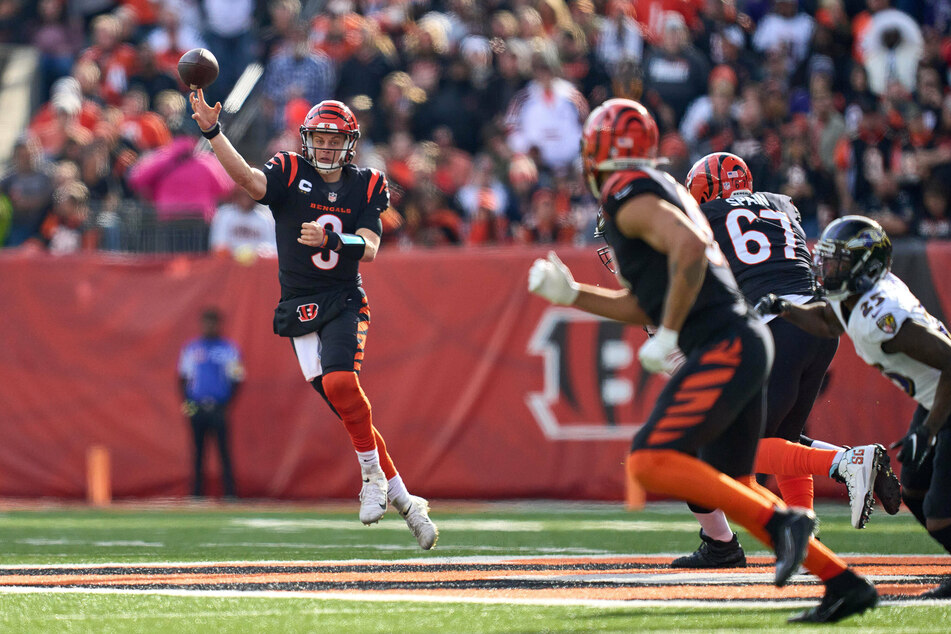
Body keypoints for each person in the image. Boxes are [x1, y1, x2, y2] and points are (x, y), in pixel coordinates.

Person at [528, 98, 876, 623]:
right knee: (735, 484)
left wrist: (667, 330)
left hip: (729, 343)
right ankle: (843, 582)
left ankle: (793, 520)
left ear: (602, 152)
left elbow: (690, 245)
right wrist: (572, 293)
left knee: (651, 460)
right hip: (757, 334)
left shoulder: (628, 193)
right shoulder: (664, 194)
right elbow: (642, 301)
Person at [188, 90, 437, 549]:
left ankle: (370, 479)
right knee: (348, 411)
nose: (325, 146)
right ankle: (404, 499)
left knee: (344, 385)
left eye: (334, 138)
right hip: (300, 305)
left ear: (350, 143)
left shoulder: (365, 184)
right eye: (319, 137)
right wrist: (212, 132)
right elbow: (247, 180)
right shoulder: (289, 170)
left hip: (343, 297)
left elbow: (373, 247)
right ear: (307, 140)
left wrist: (335, 239)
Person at [669, 152, 901, 568]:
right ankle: (803, 531)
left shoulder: (704, 218)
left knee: (730, 451)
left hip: (777, 324)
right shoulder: (781, 204)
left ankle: (848, 461)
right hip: (819, 324)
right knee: (783, 443)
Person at [757, 215, 951, 599]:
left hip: (945, 401)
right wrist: (786, 308)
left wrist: (928, 429)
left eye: (838, 261)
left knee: (939, 512)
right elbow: (829, 322)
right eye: (827, 259)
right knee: (911, 490)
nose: (827, 268)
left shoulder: (882, 313)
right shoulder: (854, 298)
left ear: (866, 266)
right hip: (936, 400)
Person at [178, 308, 242, 498]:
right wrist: (188, 406)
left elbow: (237, 378)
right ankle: (196, 494)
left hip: (218, 407)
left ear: (219, 325)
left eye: (213, 323)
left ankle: (230, 494)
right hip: (197, 406)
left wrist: (226, 404)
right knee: (198, 452)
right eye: (206, 323)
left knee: (224, 452)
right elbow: (183, 378)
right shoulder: (192, 348)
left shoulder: (228, 349)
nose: (209, 327)